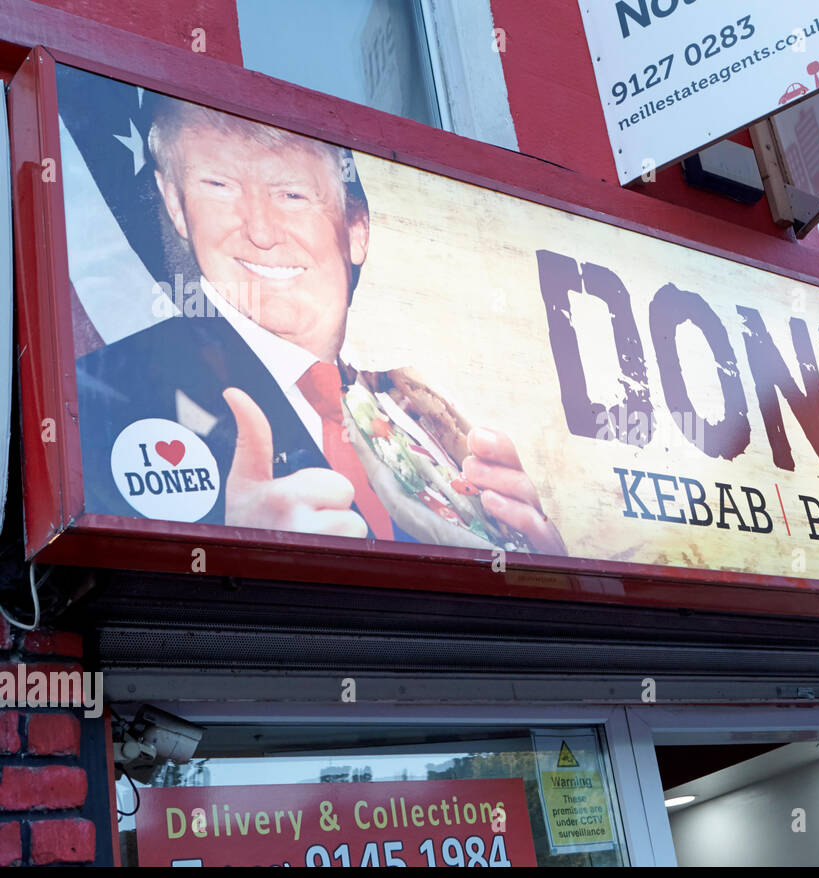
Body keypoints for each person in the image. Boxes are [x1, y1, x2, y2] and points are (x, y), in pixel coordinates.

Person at [75, 97, 565, 554]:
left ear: (357, 230)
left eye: (292, 193)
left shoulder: (414, 412)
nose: (260, 231)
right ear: (176, 205)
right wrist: (229, 553)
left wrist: (545, 572)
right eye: (218, 186)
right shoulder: (100, 397)